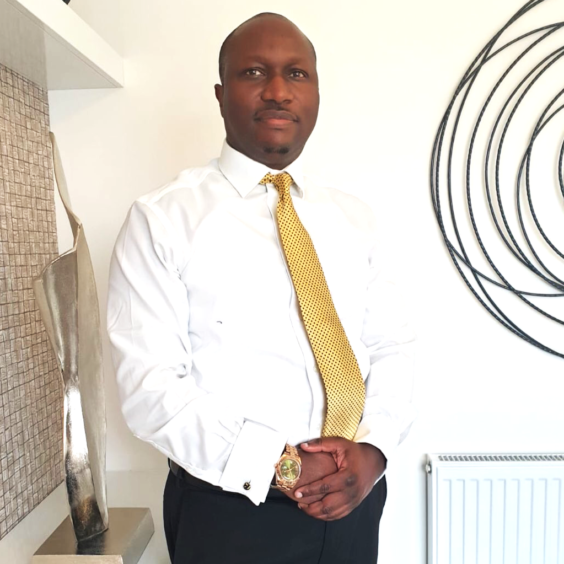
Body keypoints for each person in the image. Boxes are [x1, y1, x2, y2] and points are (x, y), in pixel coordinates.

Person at [107, 12, 415, 564]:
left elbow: (392, 347)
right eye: (255, 72)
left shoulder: (356, 219)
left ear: (316, 92)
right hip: (231, 512)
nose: (278, 91)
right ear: (222, 95)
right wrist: (285, 466)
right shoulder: (162, 220)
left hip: (355, 499)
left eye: (297, 75)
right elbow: (150, 389)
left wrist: (374, 452)